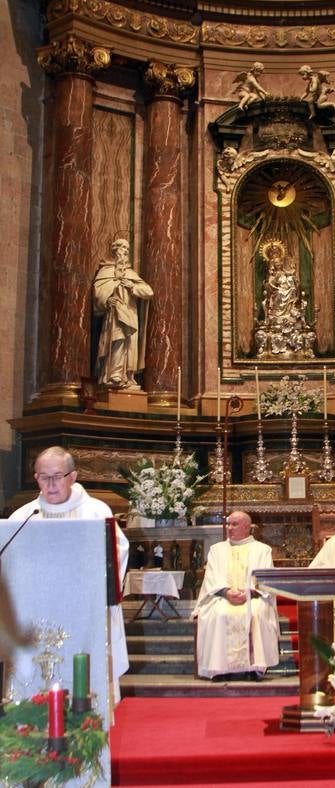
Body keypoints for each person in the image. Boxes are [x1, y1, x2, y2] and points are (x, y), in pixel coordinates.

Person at [9, 446, 129, 703]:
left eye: (57, 476)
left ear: (72, 477)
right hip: (35, 615)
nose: (50, 484)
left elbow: (116, 554)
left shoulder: (96, 512)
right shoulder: (23, 516)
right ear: (36, 478)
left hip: (84, 614)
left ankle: (88, 723)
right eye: (43, 477)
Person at [191, 510, 279, 680]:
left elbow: (265, 578)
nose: (229, 528)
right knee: (218, 613)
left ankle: (254, 668)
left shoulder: (262, 550)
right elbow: (212, 577)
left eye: (234, 524)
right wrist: (226, 591)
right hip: (222, 596)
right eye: (228, 524)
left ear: (247, 527)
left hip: (253, 596)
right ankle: (219, 669)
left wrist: (248, 592)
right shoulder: (216, 550)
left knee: (256, 613)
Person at [93, 237, 153, 390]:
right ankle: (113, 374)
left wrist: (132, 286)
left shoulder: (131, 274)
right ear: (114, 251)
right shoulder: (105, 271)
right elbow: (98, 292)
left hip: (130, 314)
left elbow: (148, 291)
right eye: (122, 248)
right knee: (116, 339)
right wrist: (107, 300)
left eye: (127, 249)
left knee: (129, 345)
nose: (124, 252)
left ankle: (126, 375)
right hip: (114, 315)